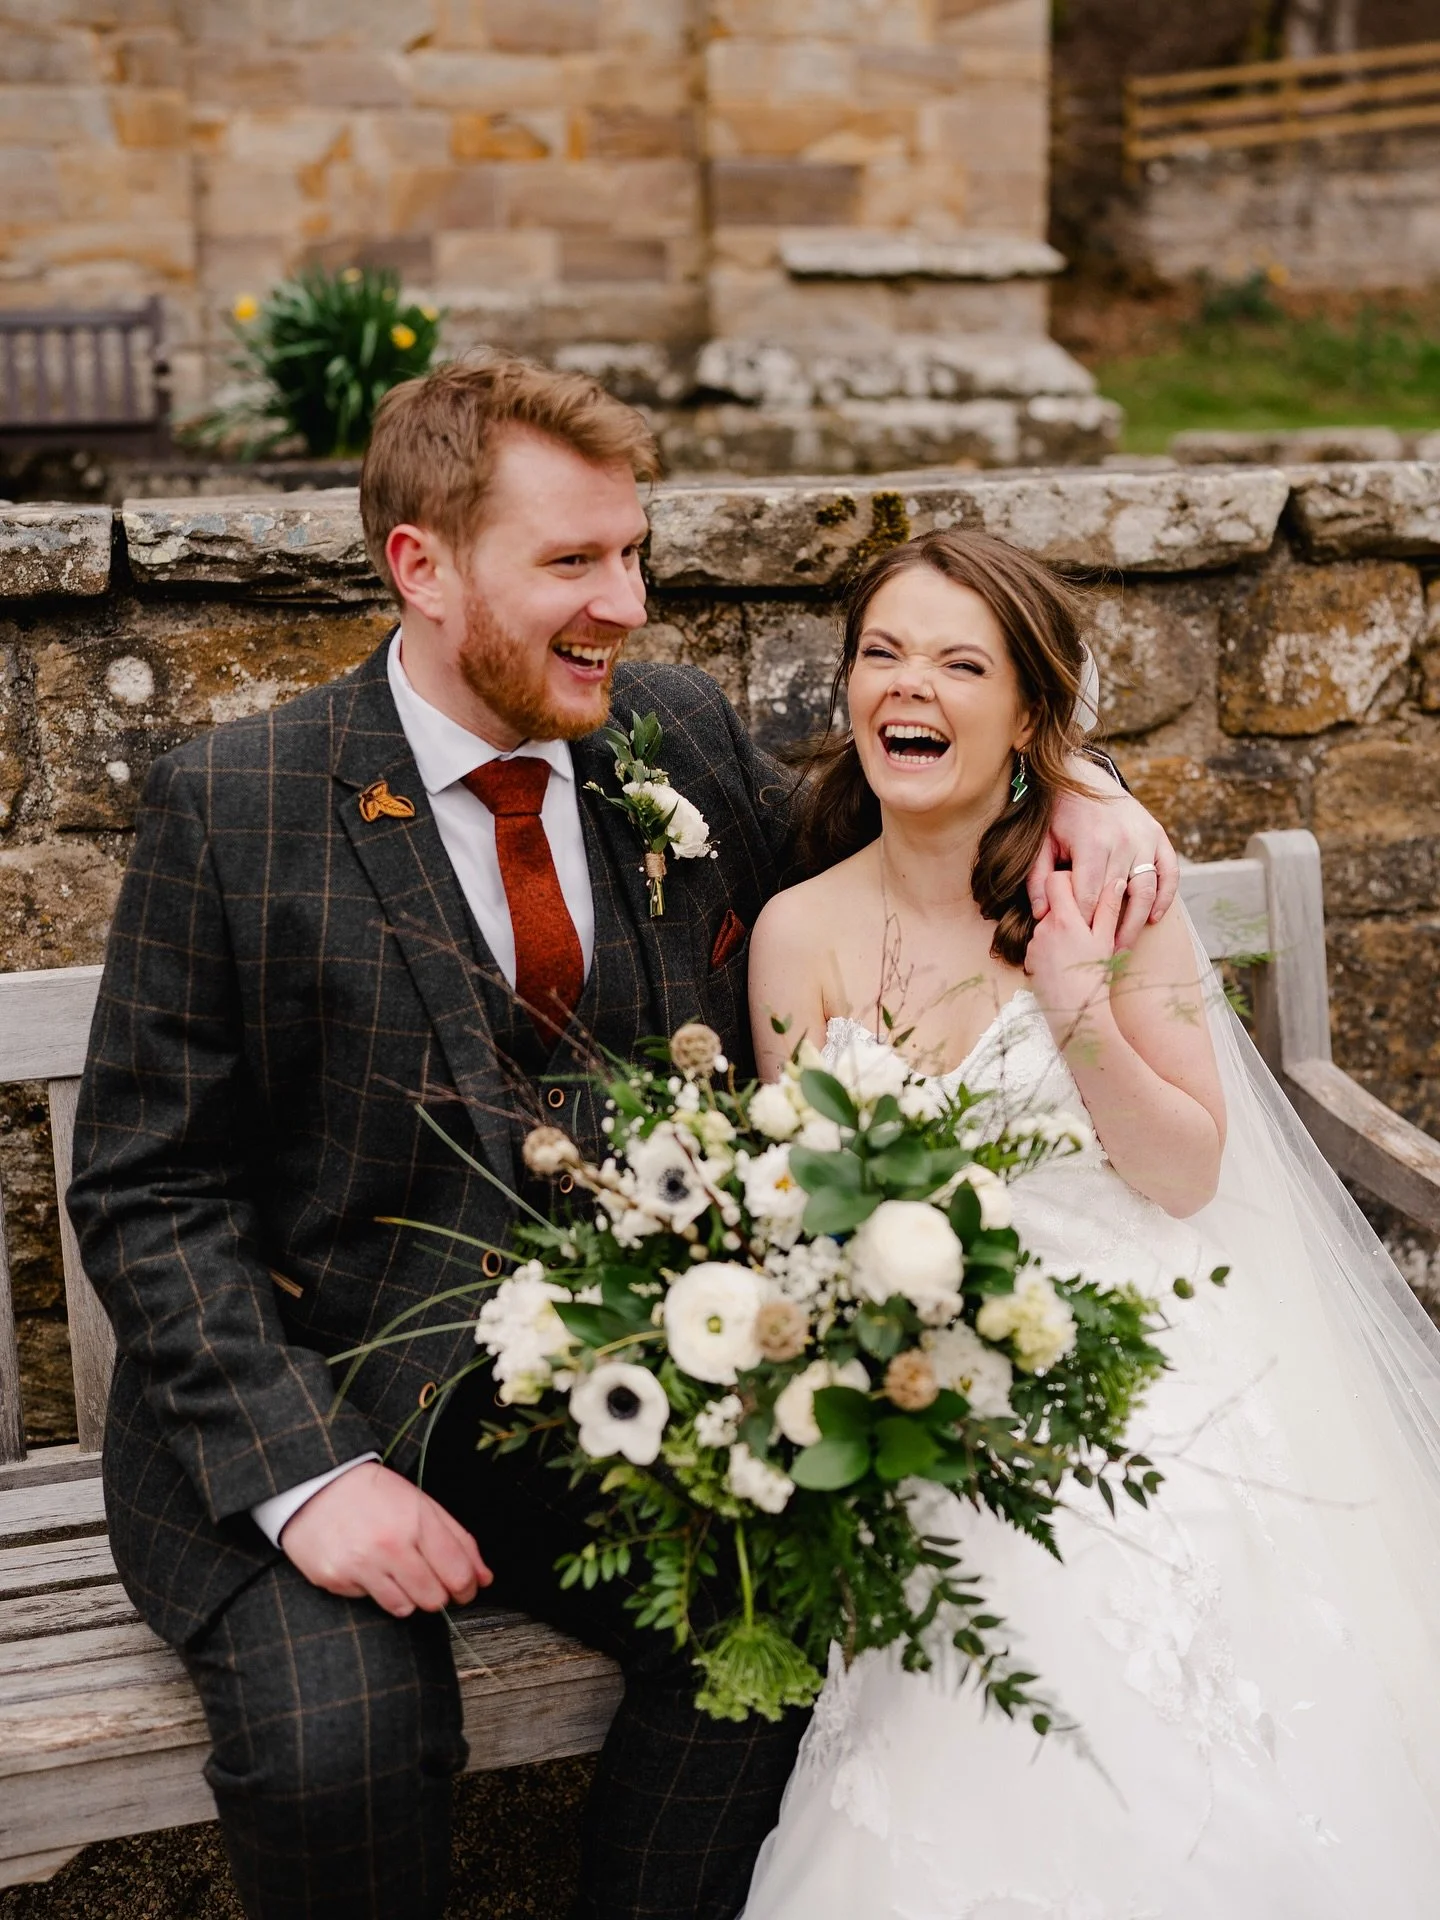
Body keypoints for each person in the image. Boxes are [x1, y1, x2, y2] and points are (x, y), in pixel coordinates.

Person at [66, 357, 1178, 1920]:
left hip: (599, 1402)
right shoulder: (236, 805)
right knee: (345, 1744)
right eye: (574, 563)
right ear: (424, 569)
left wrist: (1079, 782)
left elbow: (900, 807)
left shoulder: (665, 734)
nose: (628, 603)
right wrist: (314, 1483)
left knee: (779, 1615)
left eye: (634, 553)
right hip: (304, 1404)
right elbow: (147, 1188)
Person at [742, 529, 1440, 1919]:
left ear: (1027, 712)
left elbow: (1186, 1170)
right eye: (881, 654)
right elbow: (795, 1225)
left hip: (1160, 1346)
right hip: (933, 1382)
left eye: (958, 661)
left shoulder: (1113, 887)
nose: (908, 688)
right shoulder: (797, 932)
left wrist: (1073, 998)